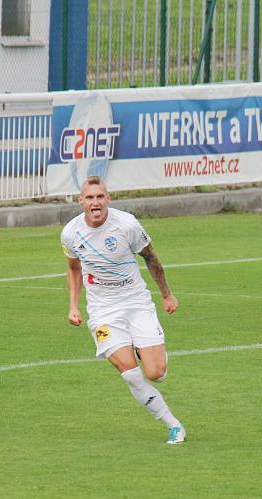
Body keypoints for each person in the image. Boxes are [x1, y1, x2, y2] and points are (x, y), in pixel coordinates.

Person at [62, 176, 186, 444]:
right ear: (81, 201)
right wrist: (73, 306)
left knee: (155, 373)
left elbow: (151, 258)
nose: (95, 202)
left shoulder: (126, 224)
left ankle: (146, 351)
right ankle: (173, 425)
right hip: (103, 310)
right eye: (90, 198)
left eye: (100, 197)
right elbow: (73, 269)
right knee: (130, 373)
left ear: (108, 199)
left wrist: (167, 295)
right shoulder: (71, 233)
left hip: (135, 302)